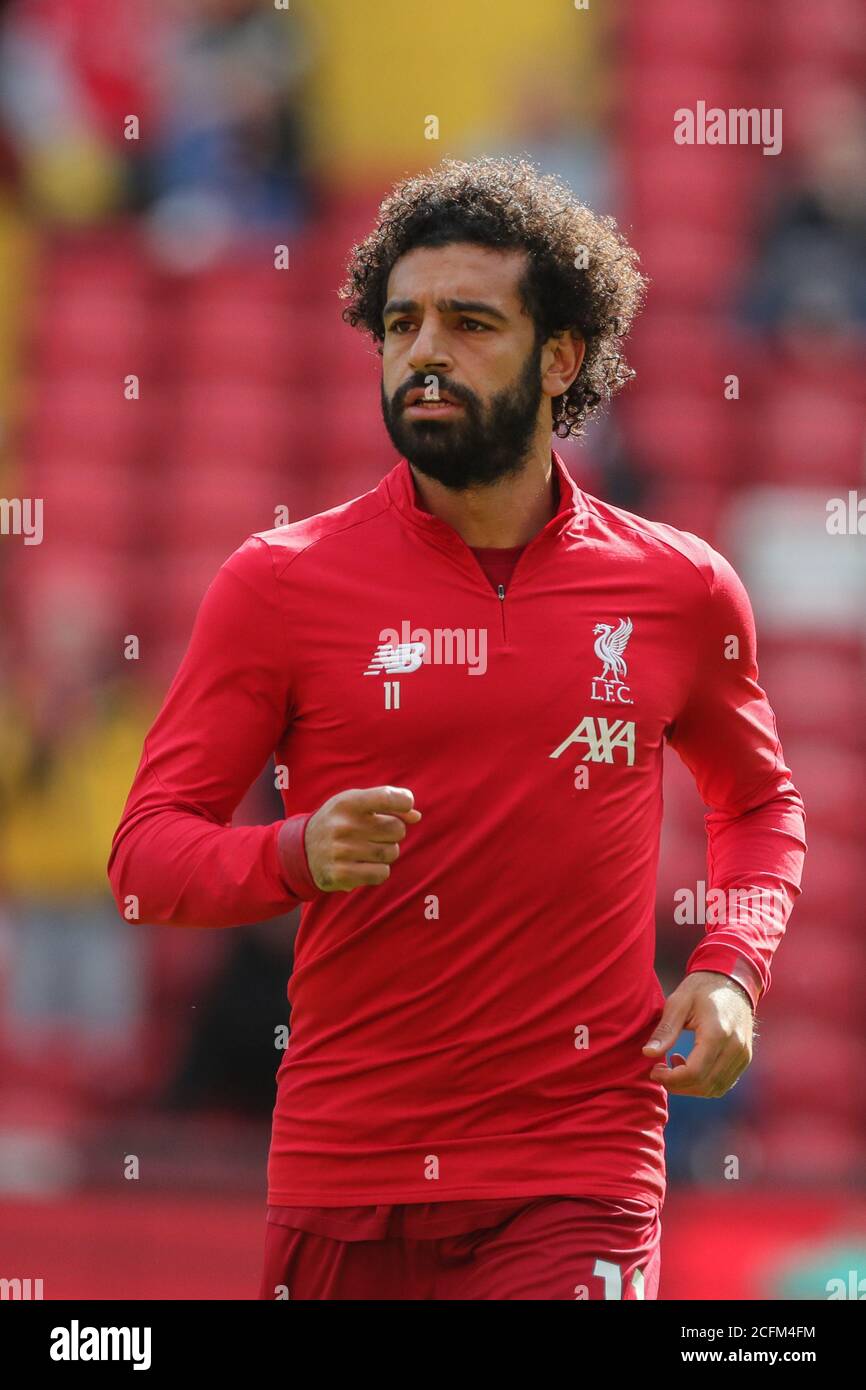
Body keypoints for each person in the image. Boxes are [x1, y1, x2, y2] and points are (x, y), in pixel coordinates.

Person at [108, 157, 807, 1301]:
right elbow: (144, 859)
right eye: (400, 322)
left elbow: (760, 804)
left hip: (575, 1166)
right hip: (346, 1169)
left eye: (469, 321)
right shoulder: (276, 584)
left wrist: (729, 968)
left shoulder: (680, 589)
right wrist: (293, 851)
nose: (423, 350)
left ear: (562, 358)